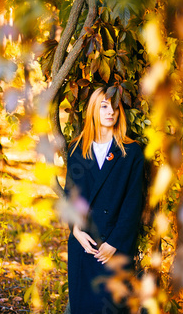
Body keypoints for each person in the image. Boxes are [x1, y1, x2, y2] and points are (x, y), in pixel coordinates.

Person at [64, 87, 145, 314]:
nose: (111, 112)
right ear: (93, 110)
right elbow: (72, 195)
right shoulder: (76, 149)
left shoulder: (131, 152)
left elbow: (133, 203)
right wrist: (76, 231)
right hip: (84, 245)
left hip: (114, 247)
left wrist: (115, 243)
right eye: (104, 106)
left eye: (115, 107)